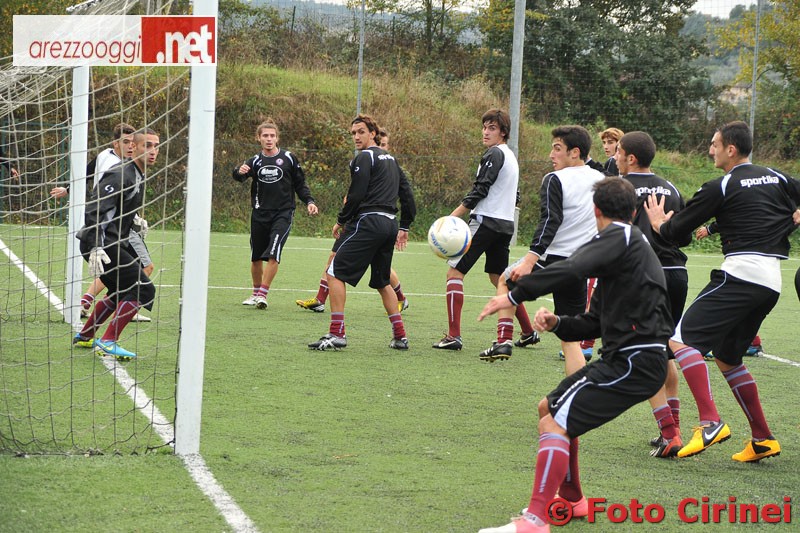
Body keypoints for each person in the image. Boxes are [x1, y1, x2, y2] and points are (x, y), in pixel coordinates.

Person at [477, 177, 673, 533]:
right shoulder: (624, 250)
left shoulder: (622, 237)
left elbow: (572, 268)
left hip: (635, 360)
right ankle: (571, 498)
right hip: (629, 359)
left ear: (595, 210)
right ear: (632, 211)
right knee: (547, 409)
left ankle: (535, 521)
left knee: (553, 423)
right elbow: (593, 322)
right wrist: (558, 323)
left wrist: (515, 295)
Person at [644, 120, 800, 462]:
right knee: (728, 359)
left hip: (741, 275)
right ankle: (763, 439)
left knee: (680, 342)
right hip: (770, 283)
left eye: (714, 144)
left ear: (731, 149)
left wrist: (658, 224)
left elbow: (676, 232)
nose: (710, 149)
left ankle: (710, 422)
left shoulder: (721, 185)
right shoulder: (778, 176)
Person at [479, 126, 603, 372]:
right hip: (581, 266)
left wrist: (529, 260)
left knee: (505, 280)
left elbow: (550, 221)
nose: (551, 155)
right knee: (570, 340)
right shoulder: (601, 180)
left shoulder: (555, 179)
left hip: (551, 261)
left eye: (557, 149)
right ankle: (578, 389)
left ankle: (503, 341)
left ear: (574, 152)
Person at [307, 114, 416, 351]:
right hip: (390, 224)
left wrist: (341, 220)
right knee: (382, 281)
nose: (356, 137)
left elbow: (356, 195)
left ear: (373, 133)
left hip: (369, 222)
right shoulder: (391, 159)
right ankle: (400, 336)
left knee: (334, 272)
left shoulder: (365, 157)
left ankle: (337, 333)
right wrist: (405, 225)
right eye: (353, 133)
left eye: (361, 132)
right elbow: (407, 194)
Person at [432, 109, 535, 352]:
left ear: (503, 132)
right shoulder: (510, 156)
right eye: (484, 127)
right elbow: (516, 196)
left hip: (486, 222)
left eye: (492, 128)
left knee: (454, 273)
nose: (486, 132)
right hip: (505, 225)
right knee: (500, 279)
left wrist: (452, 216)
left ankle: (453, 336)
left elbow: (480, 189)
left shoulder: (494, 153)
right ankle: (528, 332)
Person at [616, 131, 691, 458]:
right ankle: (673, 428)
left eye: (618, 152)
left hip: (644, 276)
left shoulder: (619, 188)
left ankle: (669, 433)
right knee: (664, 351)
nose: (615, 157)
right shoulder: (670, 187)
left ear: (631, 158)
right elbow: (684, 236)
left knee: (642, 354)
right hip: (676, 274)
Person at [295, 128, 409, 314]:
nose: (380, 148)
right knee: (334, 257)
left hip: (368, 222)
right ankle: (320, 299)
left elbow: (398, 194)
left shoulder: (389, 165)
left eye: (383, 145)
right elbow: (358, 189)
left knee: (378, 268)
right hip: (358, 219)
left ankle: (401, 298)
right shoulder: (365, 160)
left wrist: (404, 225)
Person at [71, 128, 161, 359]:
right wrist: (95, 246)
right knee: (144, 288)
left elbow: (118, 208)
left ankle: (86, 335)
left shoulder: (137, 174)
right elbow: (96, 209)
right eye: (147, 145)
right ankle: (109, 341)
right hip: (103, 244)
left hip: (113, 241)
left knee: (121, 289)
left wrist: (134, 219)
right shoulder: (121, 173)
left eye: (156, 146)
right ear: (134, 148)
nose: (152, 151)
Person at [50, 124, 153, 322]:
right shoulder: (120, 168)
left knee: (114, 270)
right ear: (116, 143)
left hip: (103, 224)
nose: (130, 146)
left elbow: (87, 173)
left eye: (133, 142)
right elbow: (112, 199)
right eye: (126, 142)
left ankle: (87, 305)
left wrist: (67, 189)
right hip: (110, 225)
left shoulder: (105, 155)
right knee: (144, 268)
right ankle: (125, 308)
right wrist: (134, 218)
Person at [234, 119, 318, 309]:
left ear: (277, 138)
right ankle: (255, 293)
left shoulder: (288, 158)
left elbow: (300, 184)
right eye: (265, 135)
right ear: (259, 138)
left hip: (283, 213)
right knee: (256, 257)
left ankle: (263, 294)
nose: (269, 139)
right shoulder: (255, 161)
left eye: (272, 135)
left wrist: (310, 201)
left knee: (274, 253)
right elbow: (239, 177)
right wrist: (238, 171)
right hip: (259, 214)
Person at [696, 222, 765, 357]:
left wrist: (710, 229)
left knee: (721, 302)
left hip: (745, 260)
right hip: (754, 261)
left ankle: (703, 343)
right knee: (738, 304)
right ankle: (753, 342)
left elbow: (733, 213)